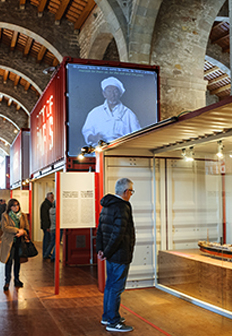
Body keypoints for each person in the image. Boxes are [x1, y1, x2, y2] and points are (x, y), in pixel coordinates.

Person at [96, 178, 136, 332]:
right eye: (131, 191)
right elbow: (118, 234)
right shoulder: (123, 207)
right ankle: (113, 321)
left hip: (111, 254)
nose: (131, 194)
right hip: (119, 254)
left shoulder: (107, 205)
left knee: (110, 285)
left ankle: (107, 316)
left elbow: (100, 229)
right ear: (126, 192)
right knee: (116, 288)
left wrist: (101, 249)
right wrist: (106, 251)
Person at [82, 77, 141, 146]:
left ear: (120, 94)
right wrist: (94, 138)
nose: (112, 95)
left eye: (115, 92)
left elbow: (138, 135)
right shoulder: (95, 113)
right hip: (99, 152)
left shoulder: (129, 114)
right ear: (104, 94)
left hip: (121, 152)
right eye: (109, 91)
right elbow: (86, 131)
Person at [0, 199, 27, 291]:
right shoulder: (5, 215)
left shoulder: (23, 216)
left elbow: (27, 228)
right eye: (14, 205)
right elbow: (5, 227)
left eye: (17, 205)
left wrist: (23, 232)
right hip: (9, 242)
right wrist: (17, 230)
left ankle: (17, 279)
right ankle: (7, 281)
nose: (16, 207)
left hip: (20, 242)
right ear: (10, 207)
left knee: (18, 261)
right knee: (9, 261)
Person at [39, 192, 56, 261]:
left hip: (47, 226)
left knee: (48, 240)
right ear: (48, 197)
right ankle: (45, 254)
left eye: (53, 197)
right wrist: (47, 227)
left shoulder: (46, 204)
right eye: (51, 197)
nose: (53, 199)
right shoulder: (46, 205)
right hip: (47, 226)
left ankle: (46, 253)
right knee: (47, 240)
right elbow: (45, 217)